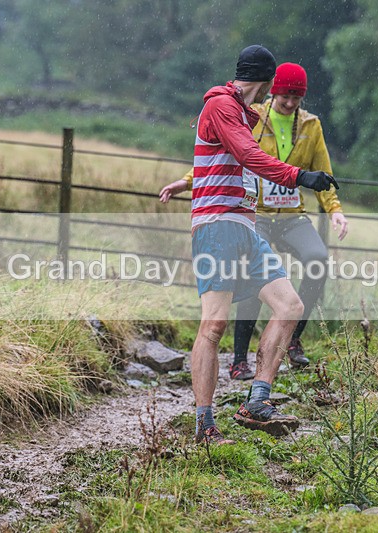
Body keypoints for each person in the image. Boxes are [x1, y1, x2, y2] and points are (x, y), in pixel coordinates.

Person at [159, 45, 338, 445]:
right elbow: (248, 153)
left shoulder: (243, 113)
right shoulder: (221, 105)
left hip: (246, 226)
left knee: (289, 305)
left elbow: (244, 152)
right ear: (266, 81)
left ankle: (257, 402)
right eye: (273, 87)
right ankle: (204, 425)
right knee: (214, 324)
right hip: (216, 225)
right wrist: (299, 176)